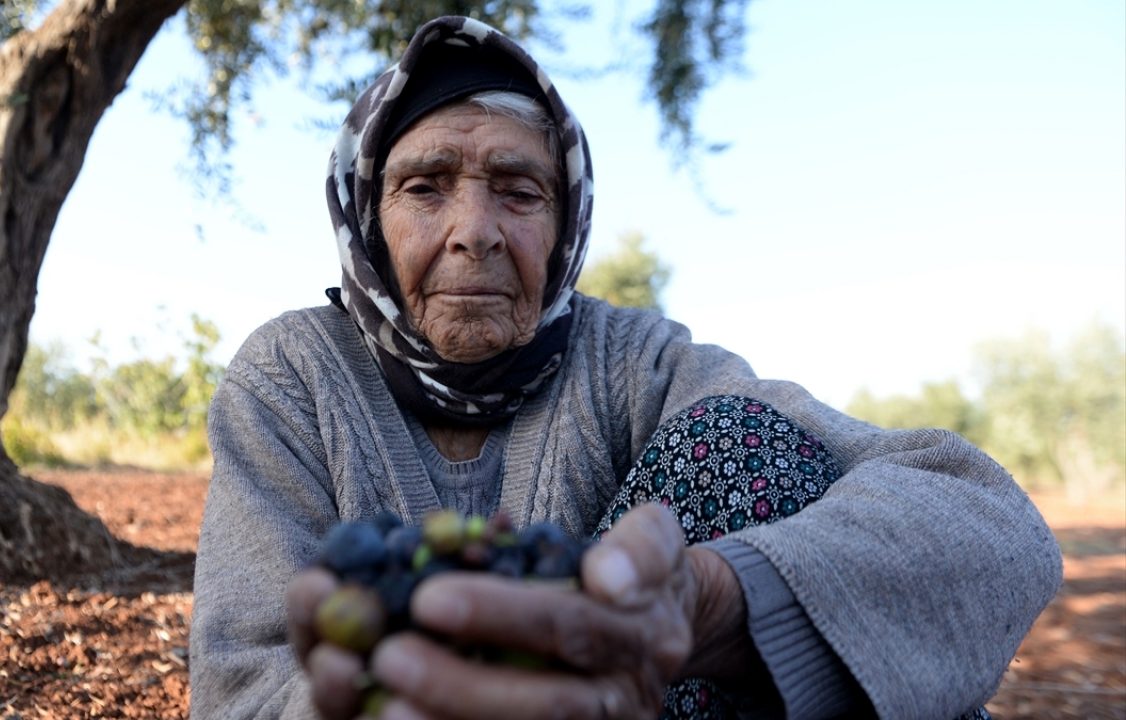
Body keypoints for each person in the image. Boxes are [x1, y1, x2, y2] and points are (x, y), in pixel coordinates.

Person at [189, 16, 1062, 720]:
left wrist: (712, 602)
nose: (475, 232)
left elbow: (985, 520)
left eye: (519, 192)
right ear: (366, 217)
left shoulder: (634, 361)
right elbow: (240, 688)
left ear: (565, 225)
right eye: (425, 187)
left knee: (740, 445)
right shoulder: (292, 375)